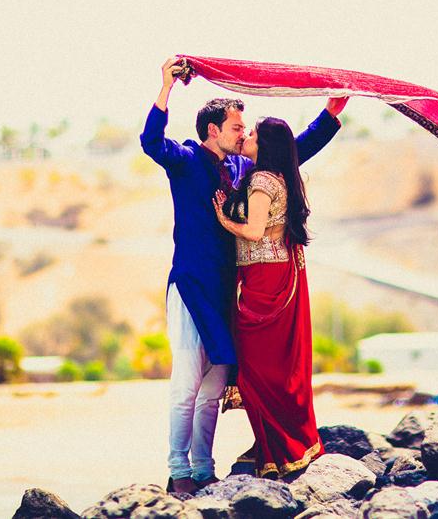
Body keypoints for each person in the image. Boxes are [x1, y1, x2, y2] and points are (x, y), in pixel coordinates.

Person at [140, 57, 347, 493]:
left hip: (228, 293)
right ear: (213, 130)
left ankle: (203, 470)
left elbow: (291, 151)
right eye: (237, 127)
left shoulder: (242, 170)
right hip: (192, 286)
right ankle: (178, 471)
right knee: (186, 385)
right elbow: (150, 142)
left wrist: (329, 116)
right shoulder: (186, 160)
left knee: (214, 388)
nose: (242, 133)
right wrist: (166, 87)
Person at [211, 116, 323, 479]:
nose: (247, 136)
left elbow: (255, 231)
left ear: (266, 146)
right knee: (274, 366)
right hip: (273, 276)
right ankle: (278, 446)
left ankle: (278, 449)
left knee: (260, 368)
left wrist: (224, 220)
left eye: (254, 134)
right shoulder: (277, 177)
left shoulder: (261, 181)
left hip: (264, 282)